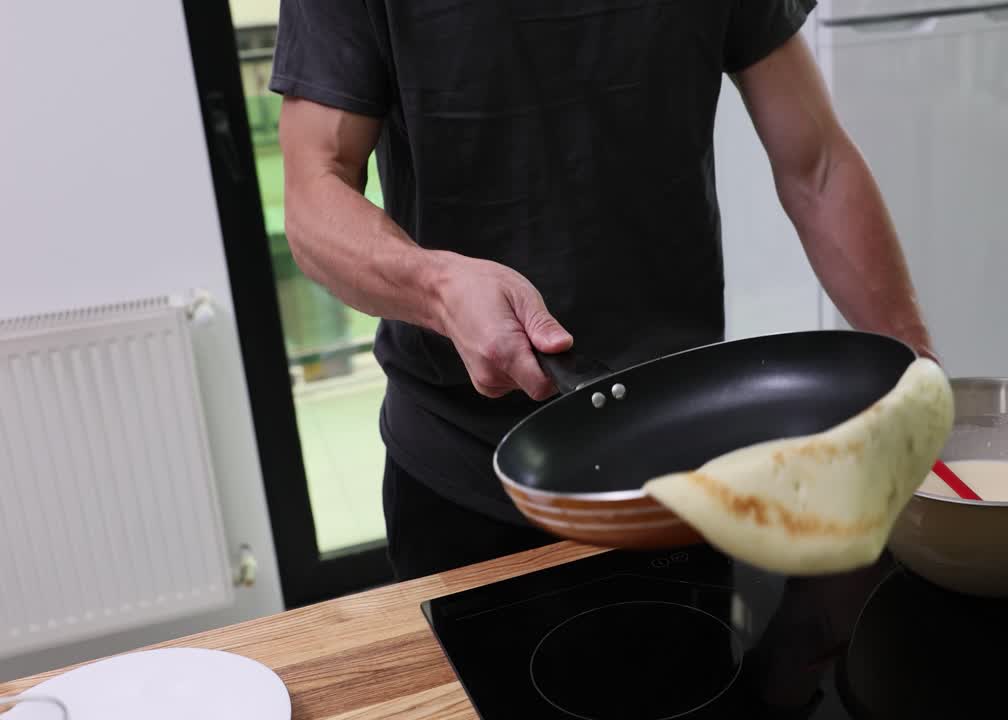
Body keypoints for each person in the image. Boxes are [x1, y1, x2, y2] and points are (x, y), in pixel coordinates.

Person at [270, 0, 935, 582]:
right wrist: (440, 288)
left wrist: (921, 394)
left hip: (685, 463)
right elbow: (312, 196)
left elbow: (817, 166)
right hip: (465, 481)